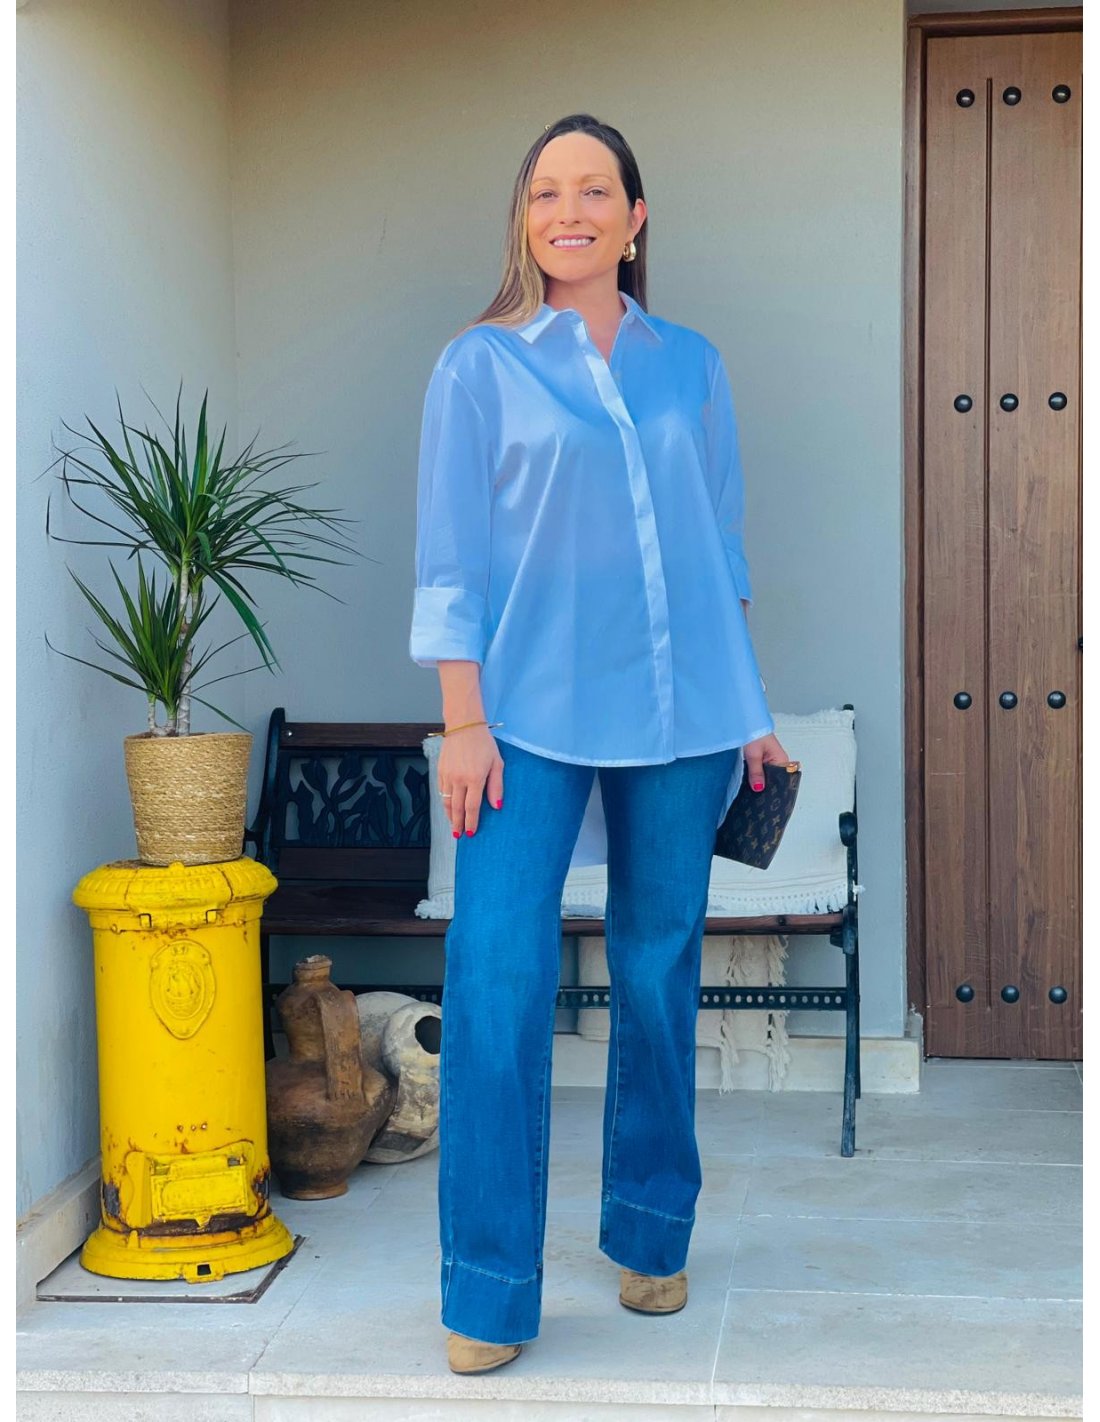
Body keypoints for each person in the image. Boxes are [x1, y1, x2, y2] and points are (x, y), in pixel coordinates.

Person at [409, 112, 789, 1376]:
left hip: (682, 715)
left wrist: (748, 710)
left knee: (657, 965)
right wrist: (461, 721)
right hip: (519, 719)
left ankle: (648, 1229)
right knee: (495, 979)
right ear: (523, 220)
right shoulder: (478, 366)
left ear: (635, 217)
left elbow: (717, 550)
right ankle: (486, 1287)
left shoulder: (693, 366)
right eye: (542, 192)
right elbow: (451, 562)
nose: (565, 211)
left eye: (591, 190)